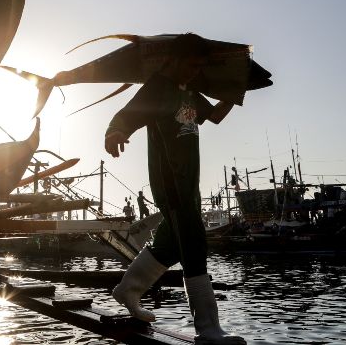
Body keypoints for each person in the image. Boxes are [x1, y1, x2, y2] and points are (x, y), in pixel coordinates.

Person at [104, 33, 246, 344]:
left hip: (190, 184)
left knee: (170, 243)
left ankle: (129, 289)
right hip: (170, 184)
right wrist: (114, 133)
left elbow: (216, 117)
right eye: (192, 65)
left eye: (200, 67)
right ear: (174, 60)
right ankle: (208, 328)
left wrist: (236, 90)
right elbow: (125, 116)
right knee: (194, 243)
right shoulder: (157, 87)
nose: (196, 72)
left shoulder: (191, 90)